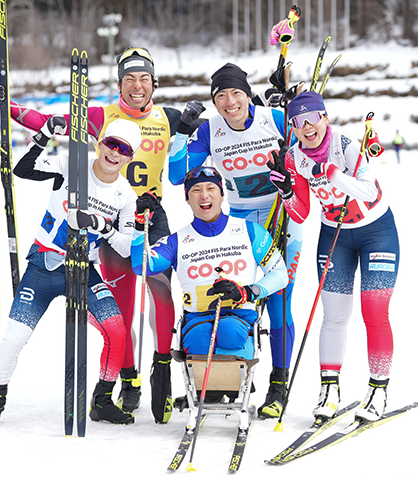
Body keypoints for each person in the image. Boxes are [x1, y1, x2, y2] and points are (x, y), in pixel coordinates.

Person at [0, 47, 204, 424]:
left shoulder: (168, 117)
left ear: (154, 84)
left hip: (143, 208)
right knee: (121, 298)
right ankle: (127, 381)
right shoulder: (98, 118)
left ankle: (160, 368)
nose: (137, 86)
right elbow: (47, 122)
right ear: (119, 83)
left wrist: (250, 111)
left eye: (144, 79)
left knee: (160, 285)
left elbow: (204, 146)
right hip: (74, 240)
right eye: (130, 79)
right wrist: (7, 105)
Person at [0, 118, 142, 428]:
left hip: (83, 270)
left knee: (117, 331)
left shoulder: (125, 196)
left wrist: (102, 227)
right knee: (15, 337)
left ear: (130, 157)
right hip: (45, 265)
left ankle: (102, 401)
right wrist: (46, 134)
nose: (114, 153)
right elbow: (22, 170)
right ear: (100, 143)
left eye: (124, 149)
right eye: (111, 144)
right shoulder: (71, 164)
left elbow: (127, 247)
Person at [167, 62, 304, 419]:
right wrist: (182, 132)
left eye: (236, 93)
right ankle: (228, 380)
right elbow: (177, 175)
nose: (230, 102)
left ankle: (279, 383)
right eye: (221, 96)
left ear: (247, 94)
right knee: (231, 299)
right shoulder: (210, 131)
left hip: (282, 216)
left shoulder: (274, 118)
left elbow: (307, 155)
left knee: (277, 301)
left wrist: (293, 111)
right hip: (241, 225)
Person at [267, 90, 400, 422]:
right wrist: (286, 194)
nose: (306, 127)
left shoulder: (347, 146)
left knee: (374, 312)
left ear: (324, 117)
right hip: (334, 236)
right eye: (297, 123)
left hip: (376, 231)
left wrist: (336, 176)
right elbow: (300, 213)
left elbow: (371, 192)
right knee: (334, 315)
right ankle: (329, 390)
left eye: (312, 118)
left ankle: (378, 389)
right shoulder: (295, 157)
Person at [130, 166, 287, 362]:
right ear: (188, 199)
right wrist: (138, 226)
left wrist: (248, 291)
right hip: (197, 321)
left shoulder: (251, 231)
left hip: (239, 319)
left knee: (230, 332)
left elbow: (281, 274)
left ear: (222, 195)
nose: (204, 195)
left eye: (211, 189)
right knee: (199, 340)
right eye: (196, 190)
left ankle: (228, 385)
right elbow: (141, 267)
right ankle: (211, 391)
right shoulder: (176, 241)